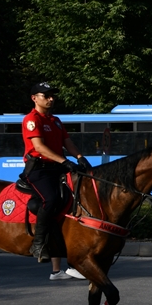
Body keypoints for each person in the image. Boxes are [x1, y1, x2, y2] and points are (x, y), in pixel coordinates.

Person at [21, 82, 91, 262]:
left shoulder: (56, 121)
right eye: (46, 96)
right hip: (39, 169)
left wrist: (80, 157)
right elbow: (39, 147)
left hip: (56, 167)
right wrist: (65, 161)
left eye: (52, 95)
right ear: (34, 98)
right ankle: (38, 244)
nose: (51, 99)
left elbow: (67, 143)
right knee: (50, 199)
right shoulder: (32, 119)